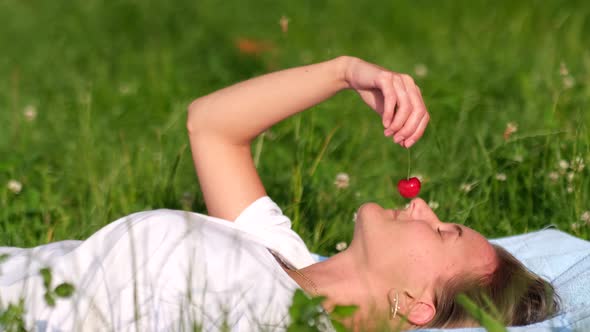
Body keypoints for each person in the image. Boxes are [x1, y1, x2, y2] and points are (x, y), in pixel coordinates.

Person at [0, 56, 558, 331]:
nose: (422, 206)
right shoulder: (282, 257)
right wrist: (344, 73)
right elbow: (211, 126)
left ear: (417, 304)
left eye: (442, 232)